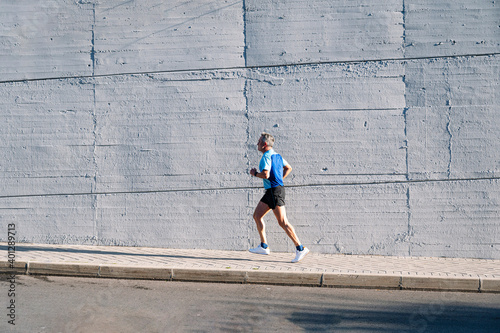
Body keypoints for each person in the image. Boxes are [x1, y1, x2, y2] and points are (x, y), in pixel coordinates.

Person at [249, 132, 309, 263]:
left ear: (264, 144)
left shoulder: (266, 156)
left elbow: (265, 174)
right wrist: (279, 179)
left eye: (259, 142)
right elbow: (288, 168)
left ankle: (300, 248)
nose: (257, 144)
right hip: (272, 191)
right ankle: (263, 246)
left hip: (274, 192)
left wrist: (254, 173)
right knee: (257, 215)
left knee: (283, 222)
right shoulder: (277, 156)